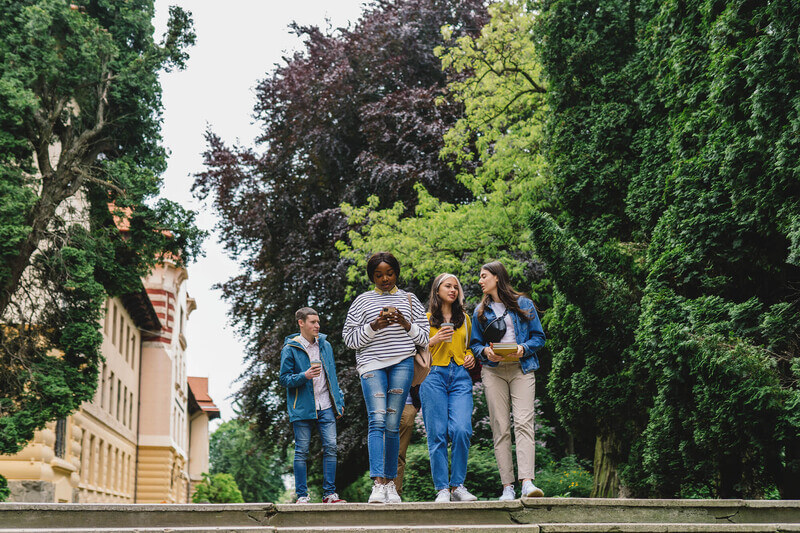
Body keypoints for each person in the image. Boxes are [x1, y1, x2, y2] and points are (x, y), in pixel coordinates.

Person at [343, 252, 429, 503]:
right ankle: (378, 484)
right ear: (372, 277)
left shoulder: (410, 300)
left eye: (389, 273)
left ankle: (391, 484)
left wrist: (404, 322)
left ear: (396, 273)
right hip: (371, 365)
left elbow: (424, 338)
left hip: (402, 364)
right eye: (379, 275)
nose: (385, 279)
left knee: (393, 424)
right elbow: (349, 339)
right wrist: (374, 326)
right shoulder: (361, 302)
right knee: (377, 419)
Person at [470, 261, 546, 500]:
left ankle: (527, 482)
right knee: (500, 427)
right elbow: (474, 345)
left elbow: (539, 337)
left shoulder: (523, 304)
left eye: (484, 276)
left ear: (496, 277)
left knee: (524, 422)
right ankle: (507, 487)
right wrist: (485, 352)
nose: (480, 281)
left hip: (521, 368)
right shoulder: (480, 311)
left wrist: (523, 348)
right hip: (493, 371)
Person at [420, 273, 479, 502]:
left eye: (456, 287)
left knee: (462, 430)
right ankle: (443, 489)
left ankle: (458, 486)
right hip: (433, 375)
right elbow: (413, 348)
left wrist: (471, 356)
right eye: (448, 286)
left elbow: (471, 346)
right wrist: (433, 341)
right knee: (437, 434)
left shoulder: (464, 318)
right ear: (437, 290)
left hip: (460, 377)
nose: (453, 290)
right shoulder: (425, 319)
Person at [279, 307, 346, 503]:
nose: (317, 325)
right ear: (301, 323)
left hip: (325, 405)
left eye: (318, 322)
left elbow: (332, 376)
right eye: (313, 322)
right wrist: (304, 376)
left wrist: (338, 402)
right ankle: (302, 496)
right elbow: (284, 379)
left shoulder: (325, 346)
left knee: (331, 447)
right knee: (301, 451)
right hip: (303, 408)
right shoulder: (290, 349)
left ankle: (329, 494)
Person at [395, 385, 420, 497]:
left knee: (399, 453)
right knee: (384, 451)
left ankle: (395, 492)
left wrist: (415, 405)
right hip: (383, 404)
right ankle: (381, 487)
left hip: (407, 404)